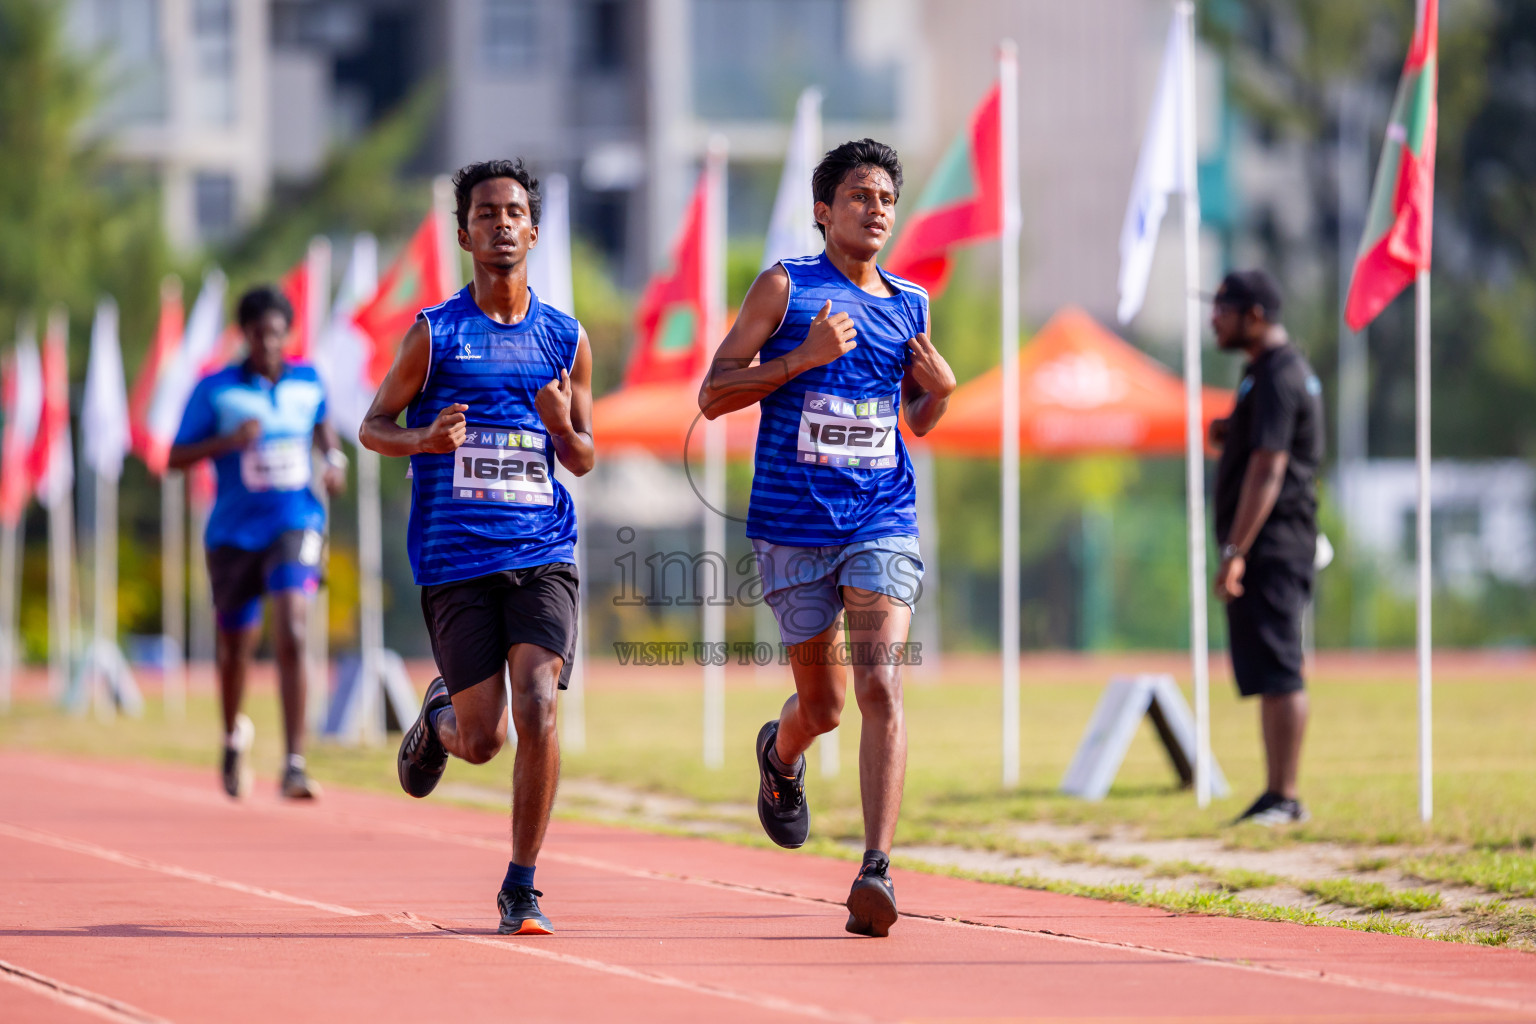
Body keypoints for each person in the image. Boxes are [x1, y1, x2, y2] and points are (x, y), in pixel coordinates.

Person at [698, 139, 956, 937]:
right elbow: (712, 394)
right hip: (791, 528)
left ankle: (876, 869)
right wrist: (800, 359)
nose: (874, 209)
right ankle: (781, 754)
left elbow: (909, 419)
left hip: (881, 519)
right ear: (823, 210)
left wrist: (940, 397)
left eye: (884, 198)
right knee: (827, 704)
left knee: (880, 682)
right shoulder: (785, 287)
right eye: (857, 197)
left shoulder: (910, 303)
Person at [360, 159, 594, 937]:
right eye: (487, 213)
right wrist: (423, 436)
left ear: (533, 229)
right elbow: (372, 425)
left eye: (515, 211)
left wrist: (561, 426)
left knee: (539, 705)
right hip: (457, 559)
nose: (502, 223)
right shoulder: (437, 333)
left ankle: (521, 885)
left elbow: (585, 455)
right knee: (485, 737)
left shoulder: (565, 338)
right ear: (464, 234)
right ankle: (438, 721)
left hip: (543, 552)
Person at [169, 286, 347, 801]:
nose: (268, 342)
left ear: (287, 335)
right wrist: (229, 441)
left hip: (295, 521)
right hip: (233, 535)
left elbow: (322, 428)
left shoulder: (308, 380)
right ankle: (231, 737)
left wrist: (333, 463)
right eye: (258, 333)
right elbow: (174, 458)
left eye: (276, 332)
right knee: (235, 649)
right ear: (244, 335)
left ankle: (294, 762)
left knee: (292, 626)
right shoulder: (216, 389)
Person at [1208, 269, 1324, 826]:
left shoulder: (1279, 374)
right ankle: (1274, 792)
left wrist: (1236, 550)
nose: (1213, 318)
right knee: (1268, 668)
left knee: (1281, 668)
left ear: (1254, 314)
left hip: (1274, 546)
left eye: (1222, 309)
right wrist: (1231, 430)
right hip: (1266, 545)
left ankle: (1286, 796)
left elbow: (1270, 466)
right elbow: (1263, 440)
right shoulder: (1264, 372)